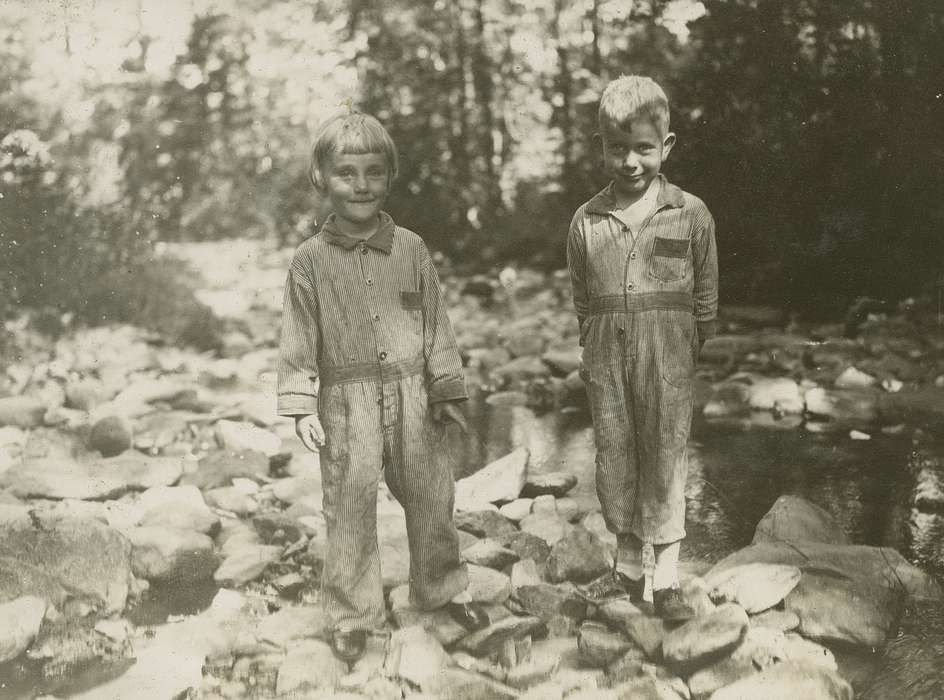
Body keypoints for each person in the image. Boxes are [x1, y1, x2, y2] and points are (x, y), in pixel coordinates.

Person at [277, 110, 488, 663]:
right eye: (347, 172)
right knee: (347, 506)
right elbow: (299, 337)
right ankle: (352, 613)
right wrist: (301, 404)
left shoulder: (412, 250)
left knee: (432, 496)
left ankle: (441, 590)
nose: (361, 185)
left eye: (374, 172)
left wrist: (445, 388)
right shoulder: (308, 262)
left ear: (389, 177)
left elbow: (435, 323)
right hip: (346, 402)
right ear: (322, 177)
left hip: (412, 394)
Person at [566, 75, 718, 622]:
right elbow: (583, 298)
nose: (629, 161)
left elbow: (706, 297)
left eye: (643, 149)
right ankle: (628, 573)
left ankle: (670, 580)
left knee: (666, 457)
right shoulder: (587, 220)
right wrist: (596, 344)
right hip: (608, 357)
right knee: (616, 455)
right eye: (616, 148)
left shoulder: (690, 213)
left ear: (667, 146)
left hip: (668, 359)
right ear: (601, 146)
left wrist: (682, 346)